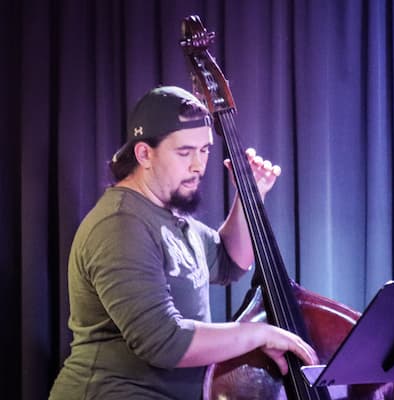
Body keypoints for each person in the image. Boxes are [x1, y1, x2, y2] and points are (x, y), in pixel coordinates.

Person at [49, 86, 317, 399]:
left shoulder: (172, 218)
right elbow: (163, 341)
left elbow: (231, 262)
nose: (198, 165)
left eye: (204, 150)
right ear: (144, 154)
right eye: (185, 152)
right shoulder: (120, 224)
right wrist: (258, 334)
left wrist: (250, 196)